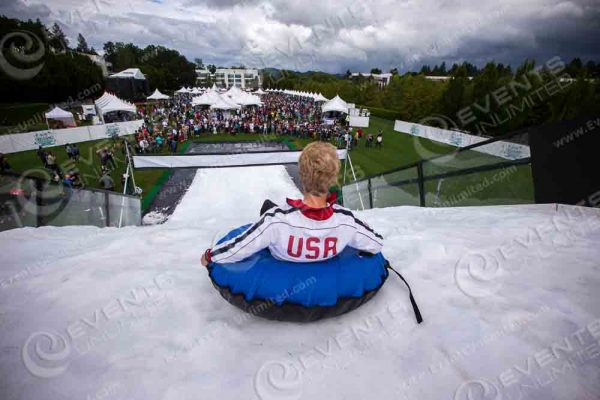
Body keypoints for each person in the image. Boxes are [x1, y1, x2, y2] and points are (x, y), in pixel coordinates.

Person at [201, 142, 383, 266]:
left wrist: (209, 256)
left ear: (302, 175)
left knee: (268, 207)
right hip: (328, 237)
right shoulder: (347, 221)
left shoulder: (275, 220)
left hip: (281, 247)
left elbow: (236, 249)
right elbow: (376, 243)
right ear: (333, 178)